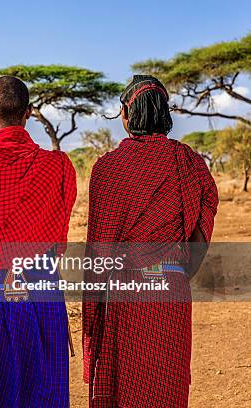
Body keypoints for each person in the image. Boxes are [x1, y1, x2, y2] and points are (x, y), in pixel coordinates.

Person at [82, 75, 219, 408]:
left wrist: (92, 317)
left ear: (126, 116)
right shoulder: (190, 163)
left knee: (123, 387)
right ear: (165, 114)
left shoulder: (108, 168)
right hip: (172, 289)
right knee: (167, 386)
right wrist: (177, 272)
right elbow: (201, 229)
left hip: (125, 293)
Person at [0, 76, 77, 408]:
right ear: (28, 113)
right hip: (44, 300)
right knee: (46, 397)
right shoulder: (59, 167)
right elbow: (58, 238)